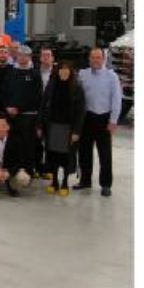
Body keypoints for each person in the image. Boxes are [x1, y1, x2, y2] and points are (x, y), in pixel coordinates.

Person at [74, 48, 123, 197]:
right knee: (84, 152)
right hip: (86, 118)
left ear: (103, 59)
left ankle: (106, 184)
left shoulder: (111, 76)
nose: (95, 60)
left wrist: (113, 120)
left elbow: (116, 99)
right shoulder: (83, 75)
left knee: (105, 154)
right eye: (93, 57)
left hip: (104, 118)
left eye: (98, 57)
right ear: (89, 59)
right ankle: (85, 180)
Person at [40, 61, 85, 196]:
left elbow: (80, 112)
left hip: (68, 128)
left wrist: (76, 131)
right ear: (57, 71)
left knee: (66, 157)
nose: (64, 71)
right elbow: (43, 105)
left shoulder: (77, 87)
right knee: (52, 156)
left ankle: (65, 182)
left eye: (67, 69)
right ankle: (54, 182)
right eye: (61, 69)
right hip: (52, 126)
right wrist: (40, 125)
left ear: (71, 72)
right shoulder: (51, 85)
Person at [2, 45, 43, 176]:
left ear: (30, 57)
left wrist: (20, 109)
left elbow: (37, 96)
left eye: (26, 55)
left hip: (28, 117)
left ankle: (28, 171)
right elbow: (4, 92)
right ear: (16, 56)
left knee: (28, 145)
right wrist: (7, 107)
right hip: (11, 116)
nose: (23, 57)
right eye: (20, 55)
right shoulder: (10, 72)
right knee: (13, 144)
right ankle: (13, 169)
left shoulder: (35, 74)